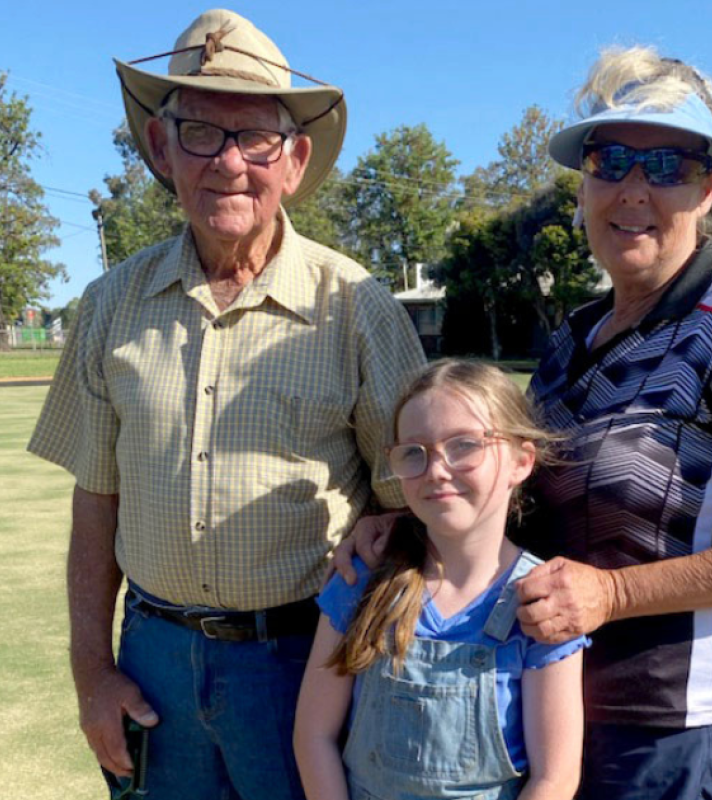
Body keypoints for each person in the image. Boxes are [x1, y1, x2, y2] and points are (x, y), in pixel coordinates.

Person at [337, 46, 712, 800]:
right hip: (548, 696)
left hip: (672, 717)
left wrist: (613, 596)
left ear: (708, 189)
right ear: (584, 186)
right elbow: (517, 493)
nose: (633, 190)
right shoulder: (577, 334)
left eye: (666, 165)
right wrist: (401, 529)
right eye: (611, 161)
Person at [27, 9, 425, 800]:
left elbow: (415, 511)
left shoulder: (357, 305)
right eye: (201, 133)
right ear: (160, 148)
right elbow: (95, 503)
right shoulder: (111, 302)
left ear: (295, 158)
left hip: (306, 661)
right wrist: (91, 678)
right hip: (153, 666)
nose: (229, 163)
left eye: (256, 139)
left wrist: (392, 681)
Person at [295, 360, 587, 800]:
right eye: (414, 452)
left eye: (464, 445)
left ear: (521, 461)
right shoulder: (360, 584)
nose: (435, 470)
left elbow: (556, 778)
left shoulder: (543, 603)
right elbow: (313, 736)